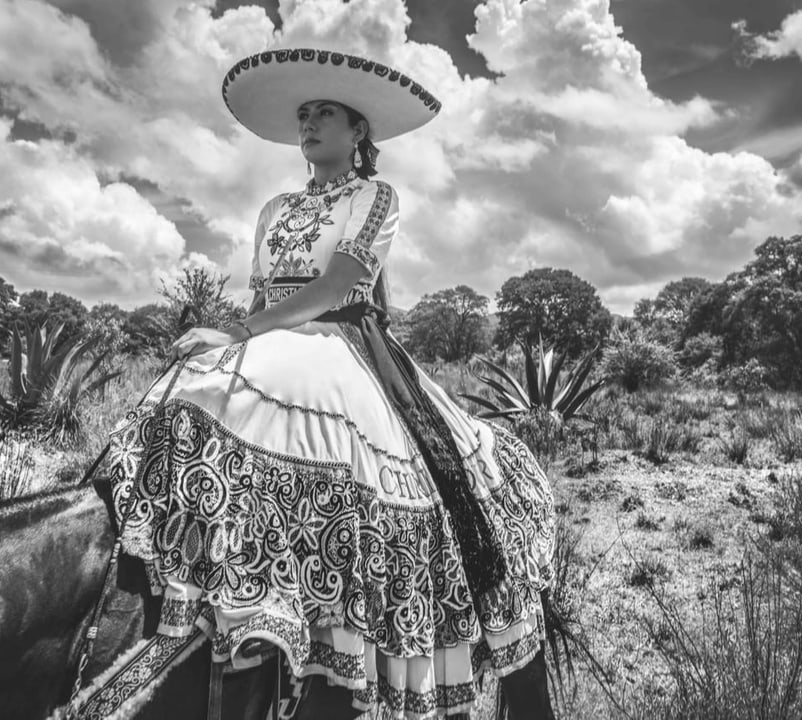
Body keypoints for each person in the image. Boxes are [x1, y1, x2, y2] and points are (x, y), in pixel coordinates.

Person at [106, 48, 557, 720]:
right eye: (303, 115)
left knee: (415, 480)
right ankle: (213, 605)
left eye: (325, 114)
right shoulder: (274, 208)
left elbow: (344, 284)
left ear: (357, 134)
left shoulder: (374, 197)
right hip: (274, 336)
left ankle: (354, 635)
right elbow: (263, 294)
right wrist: (243, 333)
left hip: (343, 339)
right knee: (185, 401)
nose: (309, 124)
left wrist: (241, 334)